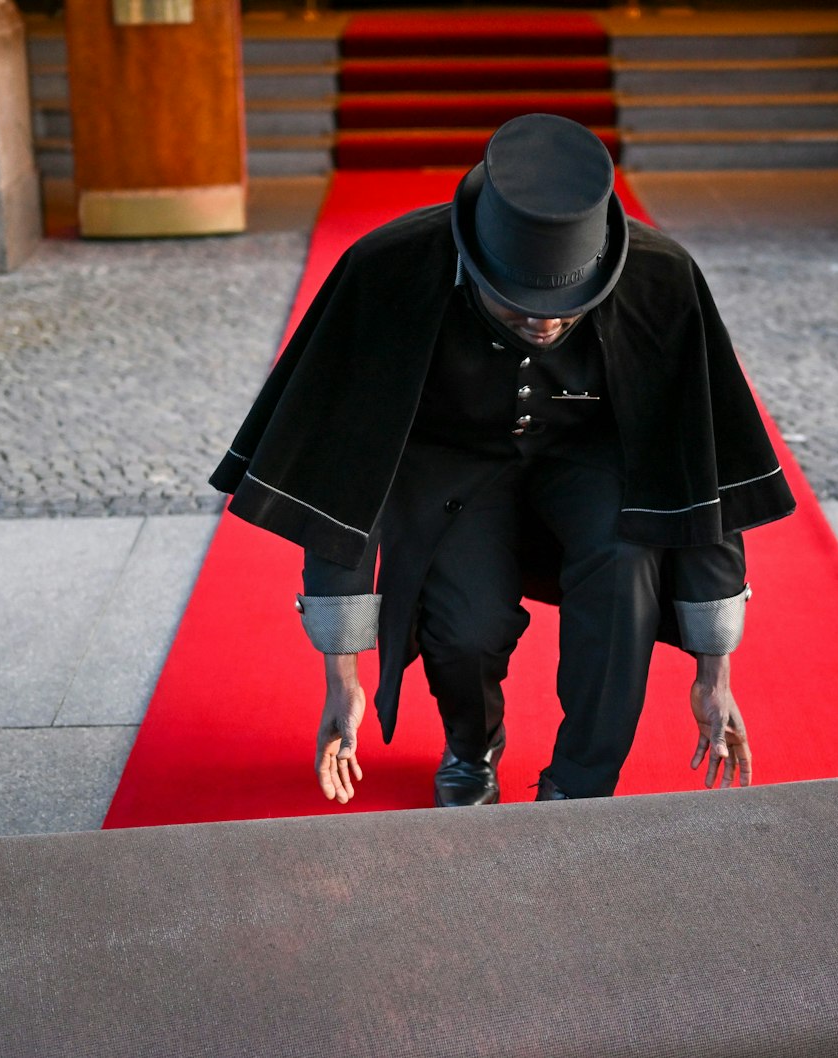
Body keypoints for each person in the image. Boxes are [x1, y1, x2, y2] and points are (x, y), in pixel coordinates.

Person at [210, 114, 796, 807]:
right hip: (452, 464)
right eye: (520, 307)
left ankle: (579, 788)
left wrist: (714, 671)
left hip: (592, 463)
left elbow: (699, 477)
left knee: (627, 560)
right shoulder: (388, 271)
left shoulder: (661, 278)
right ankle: (472, 743)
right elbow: (343, 485)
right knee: (465, 629)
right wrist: (342, 679)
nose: (545, 322)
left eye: (566, 308)